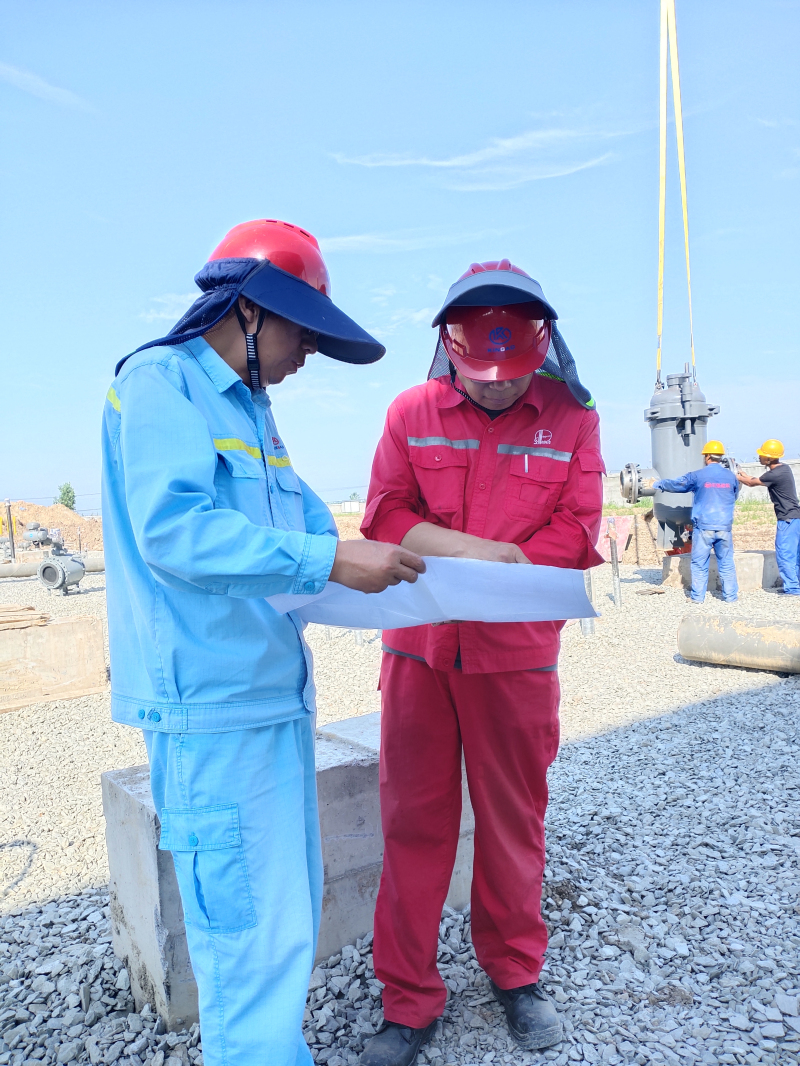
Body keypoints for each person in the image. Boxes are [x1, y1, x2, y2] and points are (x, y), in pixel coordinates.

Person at [101, 219, 425, 1066]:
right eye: (302, 331)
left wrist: (409, 569)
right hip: (211, 716)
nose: (309, 352)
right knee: (246, 948)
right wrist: (331, 560)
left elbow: (311, 531)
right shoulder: (161, 384)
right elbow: (175, 532)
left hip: (270, 703)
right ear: (247, 309)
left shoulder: (252, 414)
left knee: (282, 929)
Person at [358, 260, 604, 1066]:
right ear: (451, 354)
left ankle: (515, 974)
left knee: (512, 821)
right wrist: (478, 553)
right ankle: (408, 999)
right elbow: (386, 515)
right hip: (420, 651)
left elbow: (578, 526)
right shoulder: (411, 411)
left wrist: (506, 570)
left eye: (514, 378)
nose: (497, 392)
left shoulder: (573, 418)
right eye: (480, 380)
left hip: (518, 658)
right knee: (414, 821)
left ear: (543, 352)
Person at [652, 441, 739, 604]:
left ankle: (698, 597)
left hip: (704, 527)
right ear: (720, 457)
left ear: (707, 457)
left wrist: (657, 483)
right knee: (726, 562)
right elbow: (733, 497)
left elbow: (677, 485)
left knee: (699, 563)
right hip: (724, 527)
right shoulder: (731, 477)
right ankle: (730, 597)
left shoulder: (698, 476)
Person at [737, 439, 800, 595]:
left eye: (762, 454)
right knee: (794, 554)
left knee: (785, 554)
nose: (759, 457)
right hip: (794, 518)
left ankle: (792, 589)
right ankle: (795, 585)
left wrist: (735, 476)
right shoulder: (783, 469)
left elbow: (751, 483)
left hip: (787, 519)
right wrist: (744, 475)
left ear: (769, 458)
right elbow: (755, 480)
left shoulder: (776, 474)